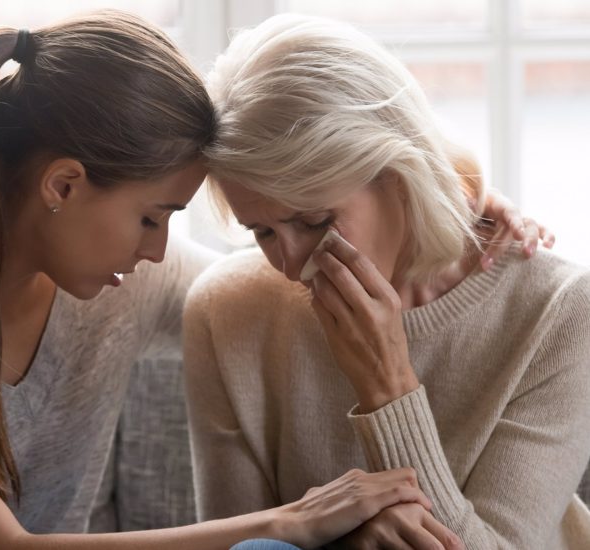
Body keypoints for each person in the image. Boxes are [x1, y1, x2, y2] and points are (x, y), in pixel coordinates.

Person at [0, 9, 550, 550]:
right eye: (151, 217)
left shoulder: (118, 279)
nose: (159, 251)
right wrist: (286, 521)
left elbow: (259, 298)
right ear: (62, 184)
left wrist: (452, 200)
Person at [183, 13, 590, 550]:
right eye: (261, 231)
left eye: (315, 222)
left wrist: (388, 388)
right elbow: (248, 548)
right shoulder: (224, 311)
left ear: (398, 173)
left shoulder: (560, 312)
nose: (292, 264)